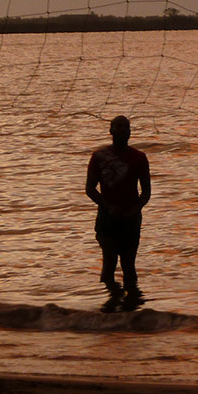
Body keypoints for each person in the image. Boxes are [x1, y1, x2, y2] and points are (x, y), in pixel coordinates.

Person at [85, 115, 151, 295]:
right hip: (108, 217)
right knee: (109, 261)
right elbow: (90, 189)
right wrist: (108, 207)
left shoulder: (139, 157)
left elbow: (146, 192)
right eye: (118, 127)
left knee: (129, 265)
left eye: (125, 127)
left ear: (130, 132)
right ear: (111, 131)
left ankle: (131, 308)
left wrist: (134, 210)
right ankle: (109, 303)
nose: (122, 130)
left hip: (131, 218)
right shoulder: (99, 157)